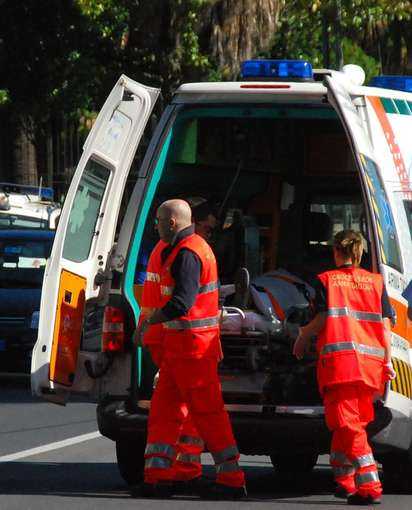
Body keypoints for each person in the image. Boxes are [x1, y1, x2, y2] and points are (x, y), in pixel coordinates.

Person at [136, 199, 246, 499]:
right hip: (181, 349)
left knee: (207, 414)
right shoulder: (185, 249)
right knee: (164, 411)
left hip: (193, 350)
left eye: (158, 220)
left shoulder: (188, 253)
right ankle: (158, 477)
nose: (155, 225)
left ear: (172, 222)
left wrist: (150, 322)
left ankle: (231, 478)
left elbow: (181, 303)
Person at [293, 230, 395, 506]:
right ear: (360, 253)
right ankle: (345, 481)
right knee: (350, 423)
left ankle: (370, 483)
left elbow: (322, 319)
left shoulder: (327, 281)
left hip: (341, 366)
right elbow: (385, 328)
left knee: (347, 425)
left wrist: (302, 336)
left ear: (336, 252)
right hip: (370, 367)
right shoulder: (376, 283)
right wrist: (387, 362)